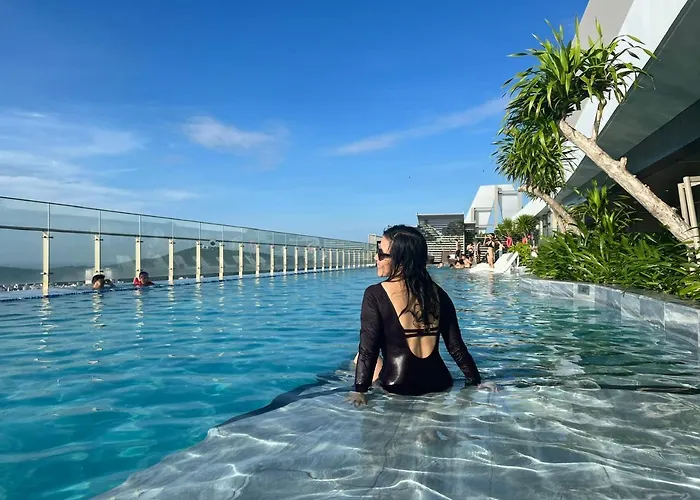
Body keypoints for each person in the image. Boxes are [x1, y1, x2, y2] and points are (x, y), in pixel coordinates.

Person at [349, 225, 483, 405]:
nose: (376, 258)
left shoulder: (375, 294)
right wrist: (476, 381)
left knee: (358, 357)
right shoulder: (438, 293)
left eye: (381, 254)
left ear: (400, 259)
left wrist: (359, 390)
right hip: (440, 382)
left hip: (397, 386)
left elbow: (368, 351)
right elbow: (456, 348)